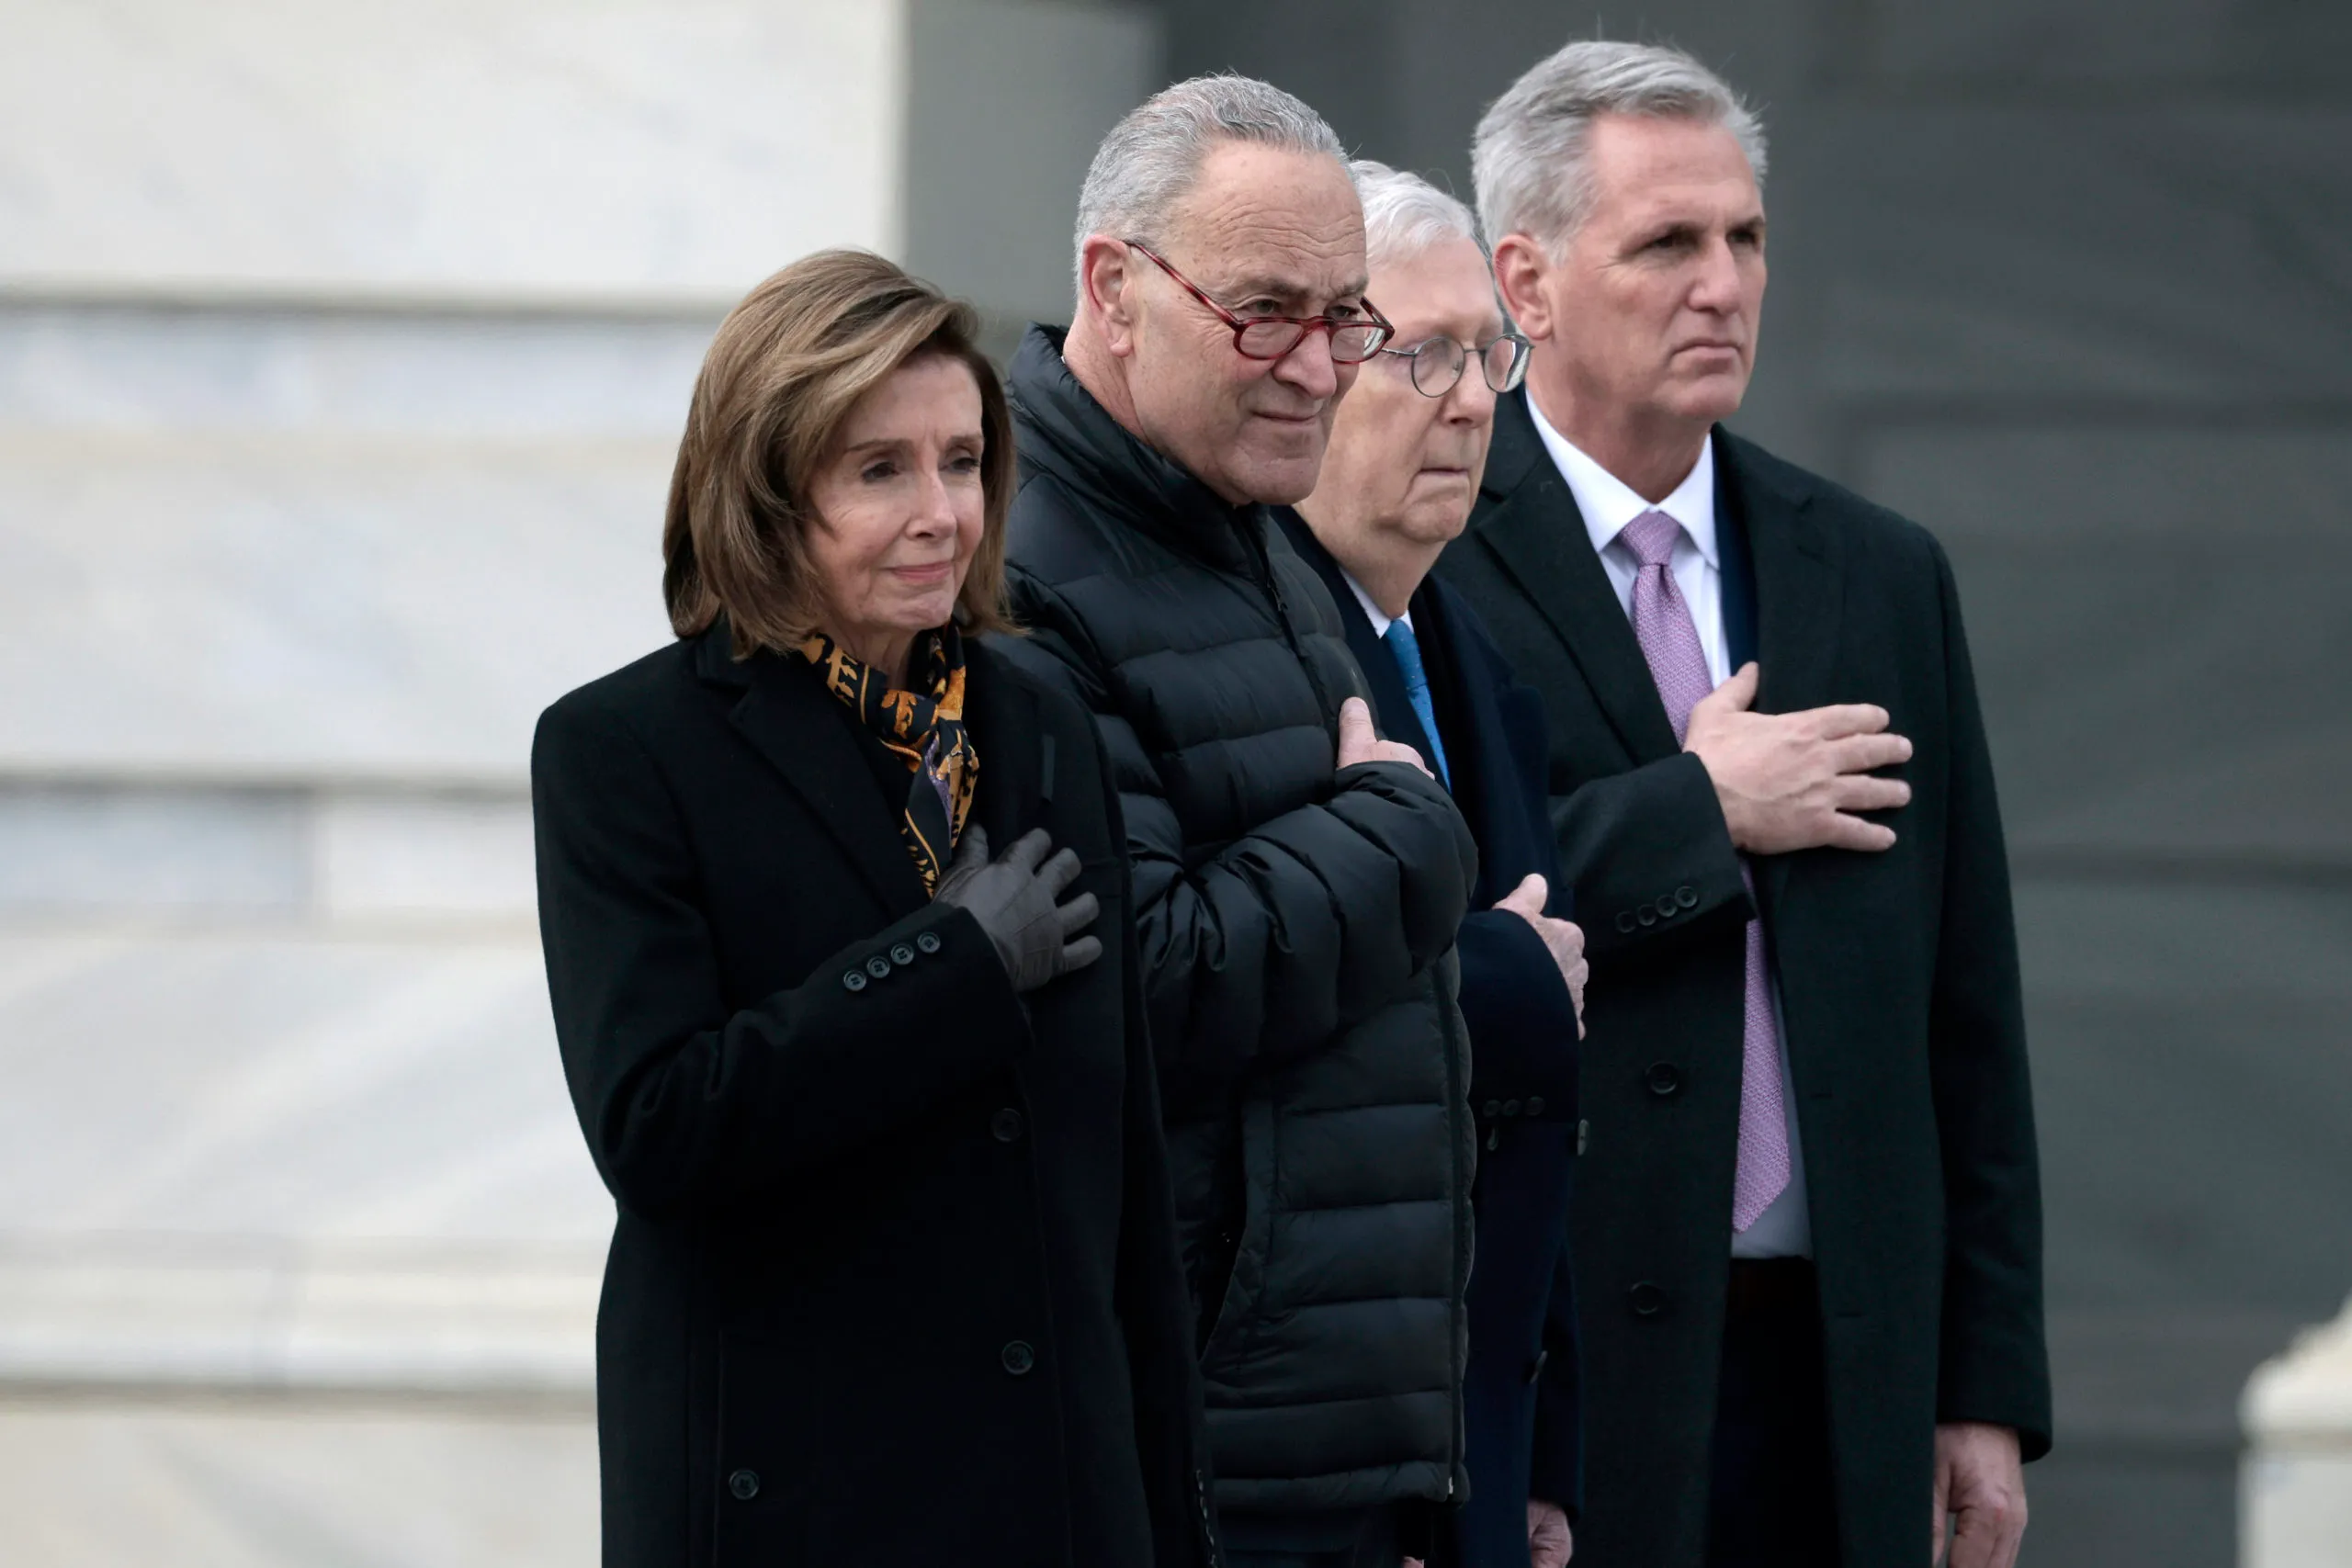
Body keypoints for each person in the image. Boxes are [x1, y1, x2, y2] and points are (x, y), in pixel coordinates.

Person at [1437, 40, 2051, 1568]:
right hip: (1561, 1374)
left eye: (1746, 238)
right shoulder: (1427, 544)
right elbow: (1420, 922)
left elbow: (1964, 1004)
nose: (1723, 282)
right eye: (1666, 243)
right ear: (1528, 280)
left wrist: (1981, 1387)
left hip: (1840, 1372)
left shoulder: (1875, 566)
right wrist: (1695, 809)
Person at [531, 250, 1216, 1568]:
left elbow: (1116, 1172)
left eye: (961, 461)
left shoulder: (1036, 716)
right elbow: (660, 1126)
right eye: (878, 469)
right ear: (768, 492)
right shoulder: (625, 748)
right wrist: (950, 960)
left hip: (1052, 1508)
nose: (941, 514)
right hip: (801, 1503)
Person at [993, 76, 1481, 1568]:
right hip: (1195, 1448)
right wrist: (1398, 829)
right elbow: (1130, 979)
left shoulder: (1237, 517)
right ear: (1114, 288)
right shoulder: (1021, 567)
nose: (1320, 369)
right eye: (1267, 311)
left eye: (1349, 319)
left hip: (1327, 1438)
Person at [1280, 161, 1587, 1568]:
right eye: (1422, 355)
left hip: (1478, 1441)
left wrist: (1540, 1459)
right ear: (1315, 366)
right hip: (1334, 1462)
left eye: (1488, 353)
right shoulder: (1264, 658)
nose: (1472, 402)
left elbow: (1540, 1129)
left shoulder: (1477, 662)